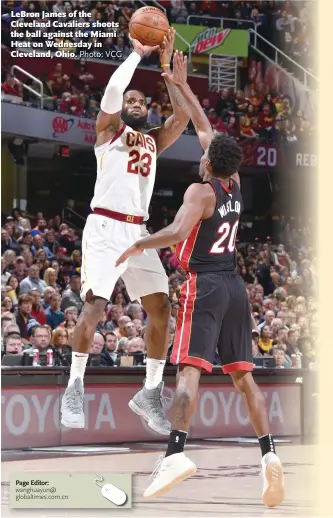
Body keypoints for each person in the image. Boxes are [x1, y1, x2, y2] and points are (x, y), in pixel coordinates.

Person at [116, 52, 284, 507]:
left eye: (205, 151)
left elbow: (174, 233)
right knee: (244, 379)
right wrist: (180, 85)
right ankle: (269, 454)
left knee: (188, 370)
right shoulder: (234, 183)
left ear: (209, 163)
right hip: (234, 287)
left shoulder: (199, 191)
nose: (201, 148)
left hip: (204, 284)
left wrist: (137, 244)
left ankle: (175, 453)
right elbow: (202, 122)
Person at [61, 30, 189, 435]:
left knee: (162, 309)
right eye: (130, 101)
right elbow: (114, 89)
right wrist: (138, 55)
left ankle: (150, 392)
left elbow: (182, 118)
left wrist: (169, 72)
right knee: (95, 309)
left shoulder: (152, 141)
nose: (135, 104)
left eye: (141, 101)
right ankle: (74, 385)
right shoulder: (107, 132)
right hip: (103, 227)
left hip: (138, 233)